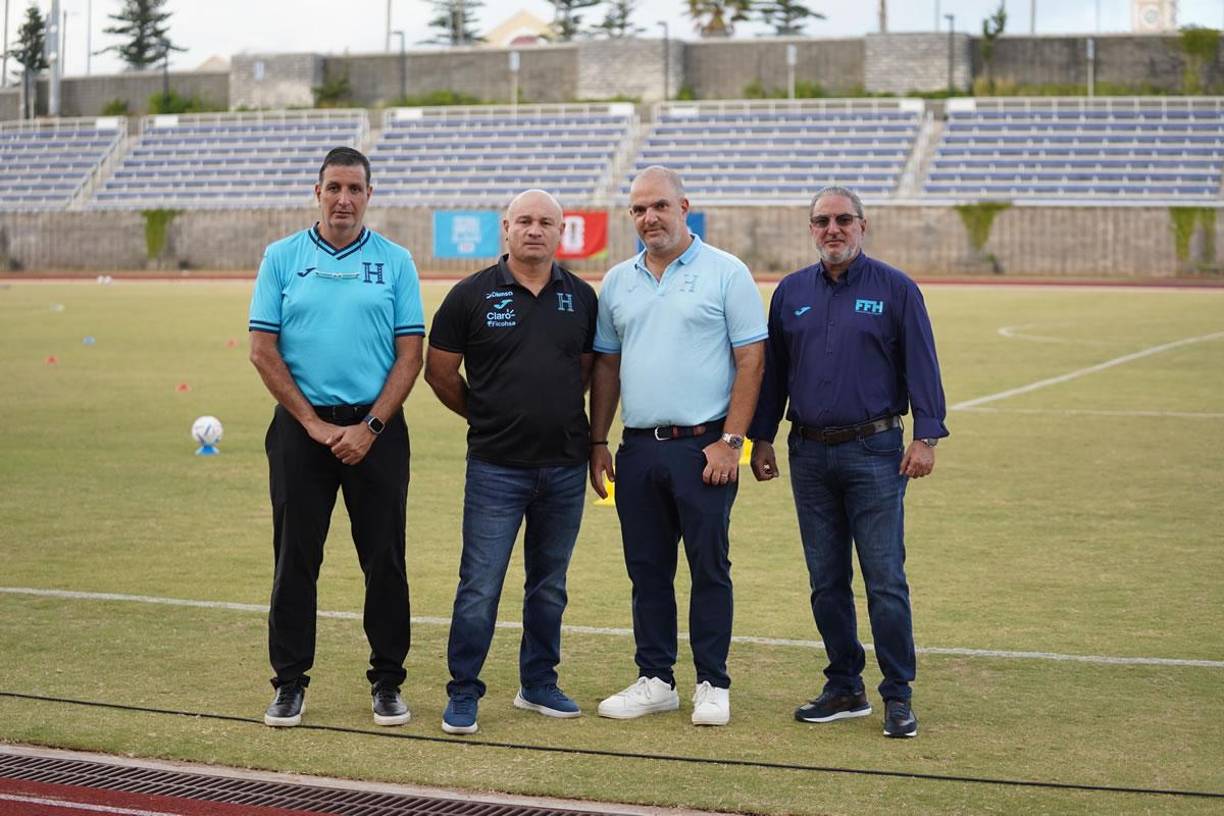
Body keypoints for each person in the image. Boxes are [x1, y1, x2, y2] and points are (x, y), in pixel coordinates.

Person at [747, 185, 948, 739]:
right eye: (820, 221)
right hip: (808, 453)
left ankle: (897, 695)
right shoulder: (790, 293)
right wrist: (760, 439)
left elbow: (922, 363)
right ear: (810, 229)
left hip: (876, 452)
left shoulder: (896, 289)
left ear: (863, 226)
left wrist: (927, 435)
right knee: (825, 579)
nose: (831, 229)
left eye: (842, 220)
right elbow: (776, 376)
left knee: (884, 579)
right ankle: (844, 686)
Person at [248, 146, 424, 729]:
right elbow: (262, 350)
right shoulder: (282, 257)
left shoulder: (395, 261)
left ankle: (388, 681)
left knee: (385, 559)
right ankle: (289, 682)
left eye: (355, 189)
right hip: (303, 431)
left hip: (377, 430)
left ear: (369, 195)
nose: (343, 199)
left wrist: (370, 426)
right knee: (295, 557)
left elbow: (410, 354)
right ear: (317, 192)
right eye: (334, 188)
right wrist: (314, 424)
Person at [589, 166, 766, 727]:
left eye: (659, 206)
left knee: (709, 566)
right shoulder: (617, 280)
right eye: (639, 209)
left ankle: (712, 681)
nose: (649, 218)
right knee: (647, 569)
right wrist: (599, 439)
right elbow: (607, 366)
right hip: (639, 449)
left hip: (704, 448)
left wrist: (731, 442)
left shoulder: (725, 272)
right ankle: (656, 679)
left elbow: (751, 360)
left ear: (684, 206)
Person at [425, 189, 598, 735]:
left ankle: (538, 683)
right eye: (524, 220)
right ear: (505, 228)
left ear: (560, 230)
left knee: (549, 584)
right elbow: (440, 372)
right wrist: (484, 414)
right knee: (480, 583)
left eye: (546, 222)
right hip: (496, 466)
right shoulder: (470, 295)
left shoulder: (582, 297)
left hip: (566, 467)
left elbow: (590, 371)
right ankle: (463, 690)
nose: (534, 230)